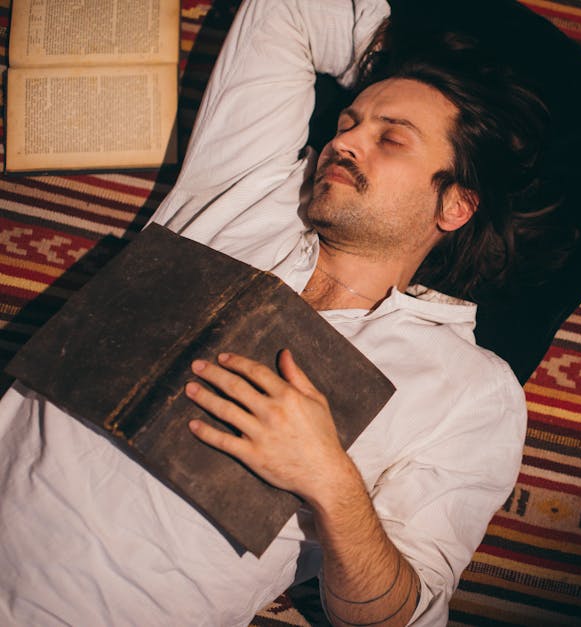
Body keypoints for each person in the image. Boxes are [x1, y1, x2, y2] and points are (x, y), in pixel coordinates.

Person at [0, 1, 552, 625]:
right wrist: (399, 57)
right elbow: (287, 9)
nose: (343, 140)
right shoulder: (248, 197)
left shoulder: (472, 390)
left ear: (454, 206)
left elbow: (403, 619)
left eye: (391, 137)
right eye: (348, 121)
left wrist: (332, 482)